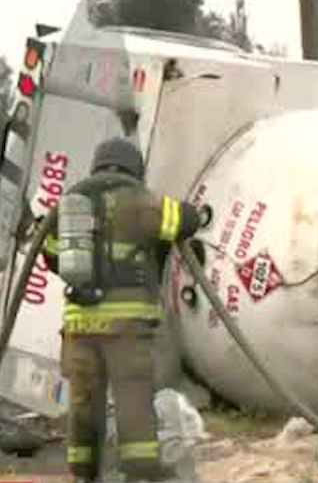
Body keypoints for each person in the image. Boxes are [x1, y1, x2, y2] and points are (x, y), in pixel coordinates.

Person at [37, 137, 204, 482]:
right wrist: (194, 213)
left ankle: (83, 472)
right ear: (134, 168)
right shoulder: (141, 202)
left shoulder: (72, 202)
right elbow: (184, 221)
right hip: (126, 326)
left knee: (84, 401)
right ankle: (140, 469)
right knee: (132, 395)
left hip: (80, 325)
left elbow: (51, 256)